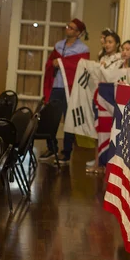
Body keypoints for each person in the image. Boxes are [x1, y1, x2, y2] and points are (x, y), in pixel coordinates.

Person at [41, 18, 90, 164]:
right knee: (50, 118)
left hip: (71, 88)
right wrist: (54, 63)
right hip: (57, 85)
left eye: (72, 27)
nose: (68, 28)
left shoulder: (83, 49)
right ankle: (52, 147)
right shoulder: (58, 45)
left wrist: (63, 62)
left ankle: (67, 151)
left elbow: (82, 68)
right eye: (68, 25)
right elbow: (50, 62)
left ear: (79, 33)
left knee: (69, 119)